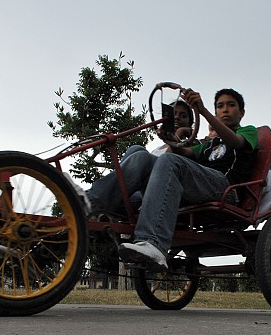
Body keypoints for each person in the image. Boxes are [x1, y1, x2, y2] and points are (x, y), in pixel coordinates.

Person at [84, 88, 259, 271]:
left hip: (226, 188)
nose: (225, 110)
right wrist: (170, 140)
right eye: (220, 106)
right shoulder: (210, 144)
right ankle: (89, 205)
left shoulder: (248, 131)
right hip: (203, 186)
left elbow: (236, 142)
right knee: (141, 156)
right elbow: (186, 153)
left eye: (231, 105)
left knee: (169, 161)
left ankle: (153, 243)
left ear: (242, 113)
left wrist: (203, 111)